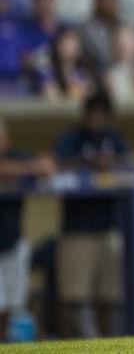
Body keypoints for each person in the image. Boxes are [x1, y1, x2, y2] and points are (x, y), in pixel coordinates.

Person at [55, 91, 133, 338]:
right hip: (77, 231)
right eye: (93, 112)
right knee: (75, 298)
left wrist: (113, 164)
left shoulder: (114, 139)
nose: (97, 118)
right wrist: (90, 163)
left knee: (110, 299)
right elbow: (55, 165)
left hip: (108, 230)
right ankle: (80, 348)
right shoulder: (72, 138)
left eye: (103, 113)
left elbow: (133, 164)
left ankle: (111, 346)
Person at [0, 117, 55, 342]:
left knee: (9, 306)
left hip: (12, 242)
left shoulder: (18, 156)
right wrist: (25, 170)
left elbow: (47, 165)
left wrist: (27, 167)